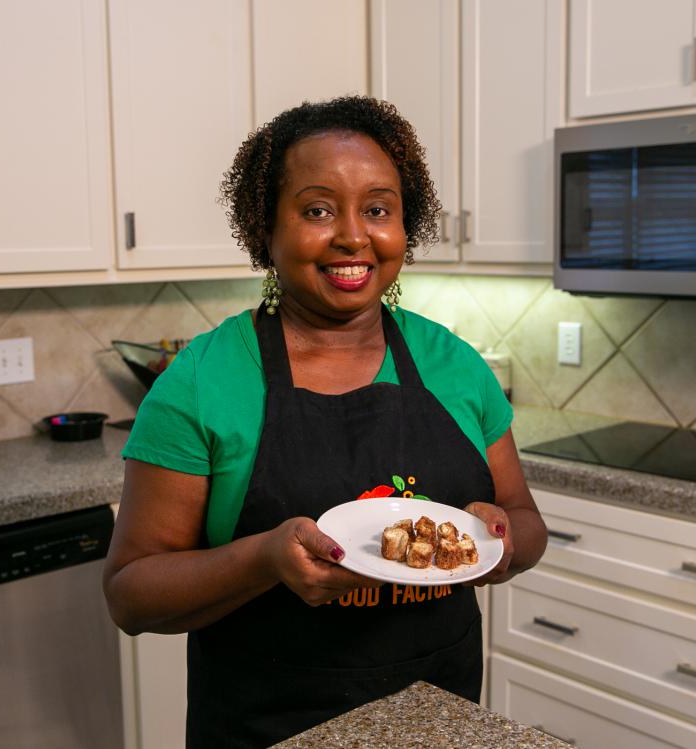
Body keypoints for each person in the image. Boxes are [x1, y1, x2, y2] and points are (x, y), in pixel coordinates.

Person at [103, 95, 547, 748]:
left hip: (440, 720)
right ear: (266, 227)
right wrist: (263, 558)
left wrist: (503, 539)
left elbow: (527, 523)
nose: (353, 235)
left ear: (405, 224)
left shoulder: (455, 365)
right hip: (273, 728)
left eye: (377, 209)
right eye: (317, 209)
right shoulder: (203, 382)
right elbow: (131, 593)